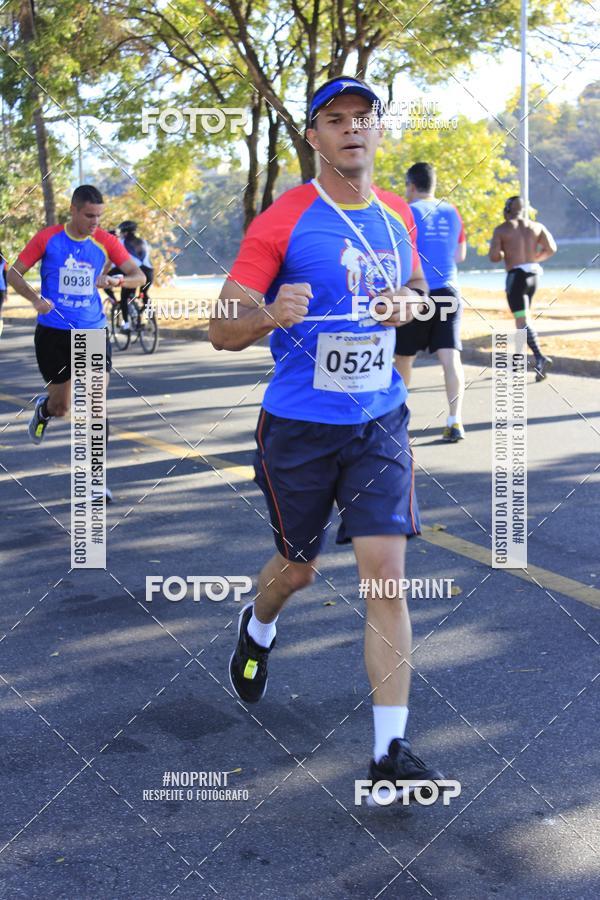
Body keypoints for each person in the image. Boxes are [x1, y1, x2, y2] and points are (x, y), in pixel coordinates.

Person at [209, 76, 444, 802]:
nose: (351, 129)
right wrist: (268, 314)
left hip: (379, 421)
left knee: (386, 579)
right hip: (299, 429)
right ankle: (257, 625)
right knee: (298, 569)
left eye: (363, 118)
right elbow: (220, 329)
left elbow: (419, 292)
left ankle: (388, 753)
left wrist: (409, 303)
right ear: (313, 137)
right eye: (335, 120)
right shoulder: (282, 221)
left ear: (378, 131)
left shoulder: (398, 215)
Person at [7, 185, 144, 498]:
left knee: (95, 404)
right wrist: (34, 299)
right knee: (62, 406)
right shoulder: (48, 238)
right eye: (89, 215)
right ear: (73, 210)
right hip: (53, 333)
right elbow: (14, 273)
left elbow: (139, 276)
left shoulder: (106, 242)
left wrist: (117, 279)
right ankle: (45, 410)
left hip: (92, 330)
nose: (95, 222)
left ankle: (94, 479)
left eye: (99, 216)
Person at [394, 162, 467, 442]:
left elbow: (401, 255)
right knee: (450, 358)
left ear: (411, 186)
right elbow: (459, 255)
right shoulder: (452, 211)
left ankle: (398, 420)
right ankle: (455, 420)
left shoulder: (406, 212)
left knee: (405, 357)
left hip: (418, 293)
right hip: (448, 291)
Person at [489, 196, 557, 380]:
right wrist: (535, 258)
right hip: (533, 276)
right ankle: (519, 362)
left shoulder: (502, 229)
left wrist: (503, 252)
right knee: (523, 319)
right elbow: (551, 248)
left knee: (522, 319)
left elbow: (494, 257)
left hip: (516, 278)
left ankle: (540, 357)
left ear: (507, 210)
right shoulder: (537, 226)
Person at [104, 221, 154, 331]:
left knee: (124, 298)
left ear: (125, 233)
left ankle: (126, 325)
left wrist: (104, 274)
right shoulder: (144, 241)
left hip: (135, 273)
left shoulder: (121, 242)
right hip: (149, 271)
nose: (120, 235)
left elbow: (111, 261)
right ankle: (151, 318)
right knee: (144, 294)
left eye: (121, 232)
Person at [0, 248, 7, 339]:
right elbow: (5, 275)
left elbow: (5, 275)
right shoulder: (3, 260)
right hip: (2, 288)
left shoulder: (3, 260)